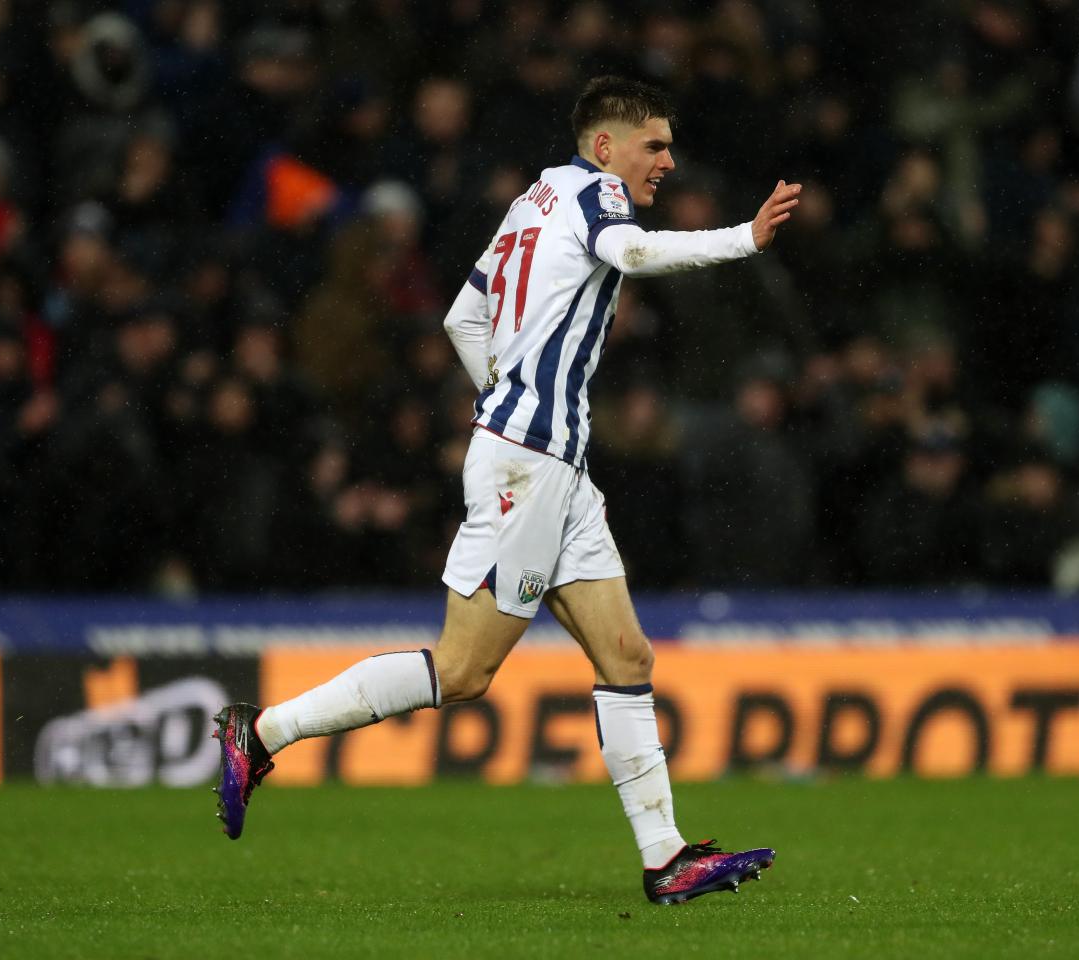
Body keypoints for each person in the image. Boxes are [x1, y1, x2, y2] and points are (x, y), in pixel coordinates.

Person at [211, 76, 801, 905]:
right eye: (655, 145)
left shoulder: (536, 196)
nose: (667, 161)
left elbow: (462, 315)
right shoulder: (599, 197)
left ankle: (667, 859)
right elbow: (629, 255)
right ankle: (262, 734)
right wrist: (743, 237)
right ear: (606, 146)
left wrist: (503, 400)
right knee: (461, 671)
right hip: (531, 461)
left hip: (547, 460)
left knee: (627, 655)